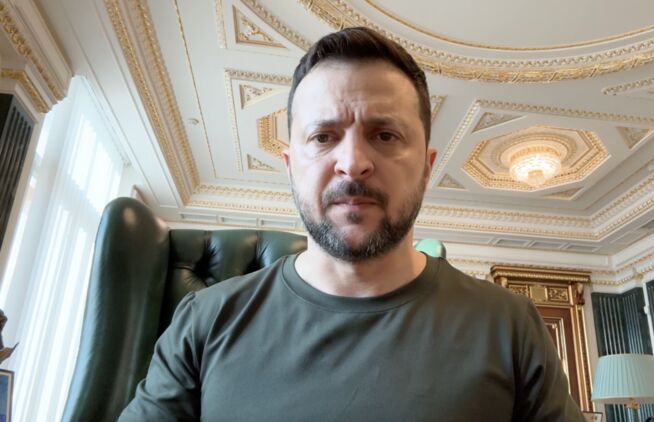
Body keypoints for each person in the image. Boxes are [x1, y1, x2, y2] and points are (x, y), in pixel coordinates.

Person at [119, 27, 585, 421]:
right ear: (290, 166)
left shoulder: (511, 326)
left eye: (385, 135)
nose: (353, 162)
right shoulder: (204, 320)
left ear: (426, 168)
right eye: (323, 137)